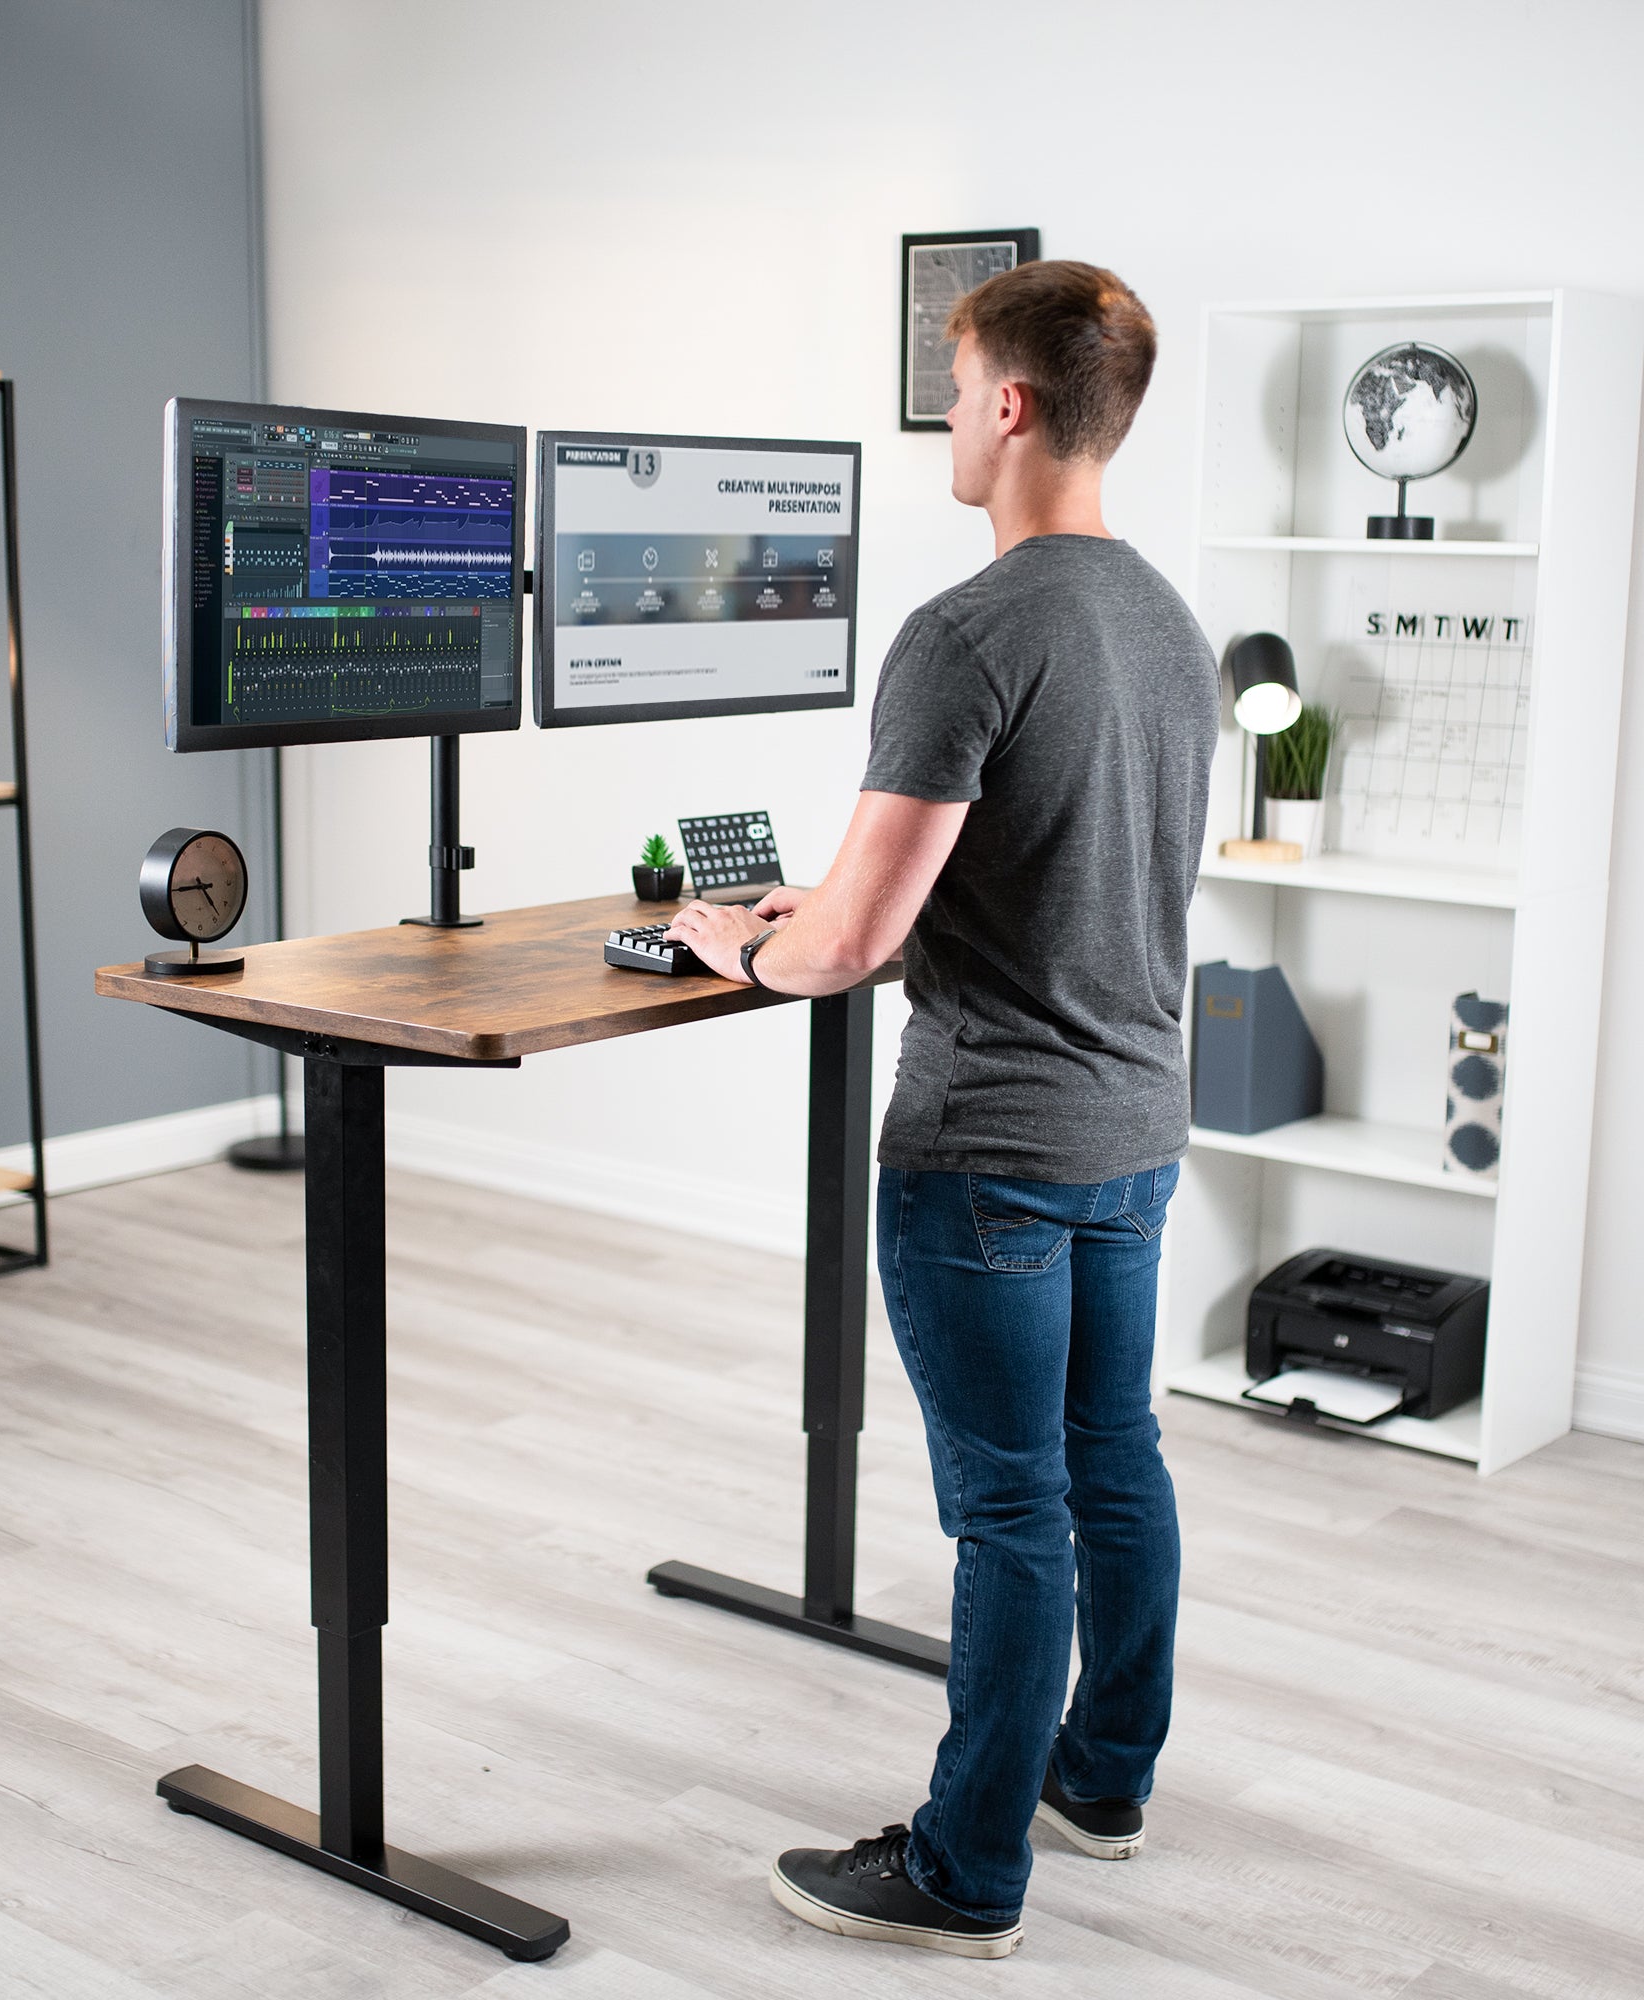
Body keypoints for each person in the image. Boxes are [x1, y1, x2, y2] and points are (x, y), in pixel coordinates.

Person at [666, 260, 1218, 1960]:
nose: (943, 416)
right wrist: (817, 914)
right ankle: (1102, 1780)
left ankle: (966, 1872)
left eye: (954, 381)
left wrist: (728, 946)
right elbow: (1024, 859)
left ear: (1011, 407)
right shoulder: (1165, 622)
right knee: (1107, 1457)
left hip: (988, 1148)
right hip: (1132, 1132)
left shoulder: (968, 631)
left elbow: (848, 945)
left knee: (1007, 1511)